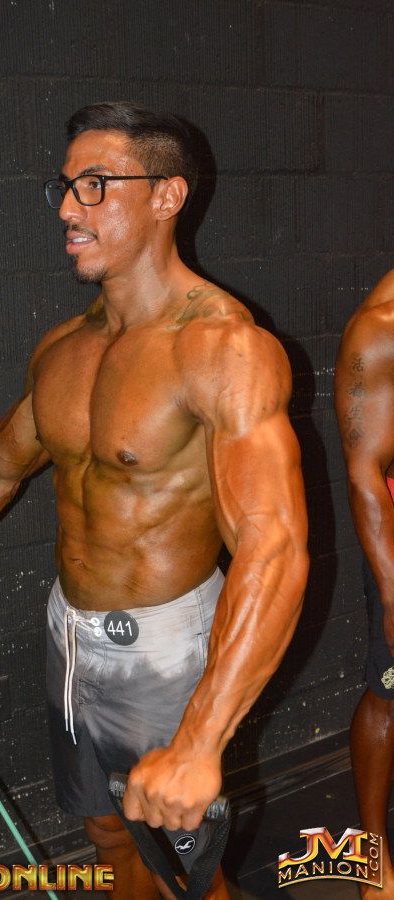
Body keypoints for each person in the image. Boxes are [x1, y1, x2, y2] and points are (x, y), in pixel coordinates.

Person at [0, 102, 309, 899]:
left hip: (167, 648)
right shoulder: (65, 347)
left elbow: (273, 545)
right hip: (70, 633)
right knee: (106, 833)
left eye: (95, 185)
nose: (68, 208)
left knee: (184, 869)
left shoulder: (221, 348)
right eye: (65, 187)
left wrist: (201, 740)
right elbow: (0, 466)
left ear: (167, 196)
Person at [335, 269, 394, 900]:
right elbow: (363, 472)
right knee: (390, 694)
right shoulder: (379, 330)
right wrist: (393, 595)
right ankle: (373, 854)